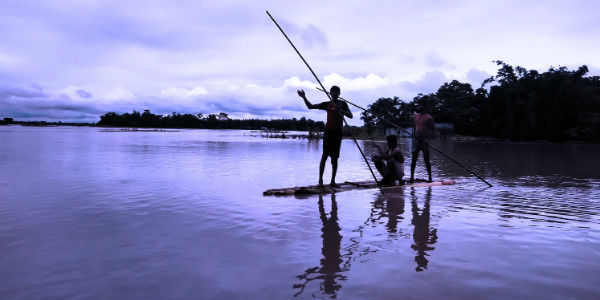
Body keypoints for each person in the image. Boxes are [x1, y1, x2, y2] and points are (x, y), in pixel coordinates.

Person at [297, 86, 353, 187]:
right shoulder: (327, 104)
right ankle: (320, 181)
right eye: (333, 92)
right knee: (324, 156)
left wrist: (341, 111)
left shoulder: (343, 104)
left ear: (339, 93)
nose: (335, 93)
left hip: (337, 133)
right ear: (330, 93)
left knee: (334, 158)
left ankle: (332, 181)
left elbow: (350, 115)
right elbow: (310, 106)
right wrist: (304, 97)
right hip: (328, 132)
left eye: (337, 92)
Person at [410, 104, 435, 183]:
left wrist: (427, 139)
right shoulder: (415, 116)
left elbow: (432, 130)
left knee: (426, 159)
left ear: (423, 109)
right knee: (414, 158)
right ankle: (411, 177)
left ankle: (430, 177)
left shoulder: (429, 118)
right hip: (416, 139)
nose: (418, 110)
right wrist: (414, 135)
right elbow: (415, 127)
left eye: (419, 108)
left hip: (424, 139)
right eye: (417, 109)